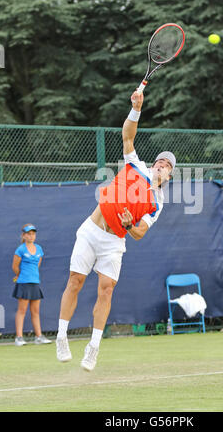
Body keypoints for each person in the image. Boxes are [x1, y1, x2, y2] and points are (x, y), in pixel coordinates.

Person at [56, 90, 176, 371]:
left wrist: (128, 224)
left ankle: (93, 347)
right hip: (91, 230)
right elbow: (128, 136)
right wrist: (136, 109)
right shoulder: (136, 165)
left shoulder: (157, 203)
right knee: (75, 281)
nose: (162, 164)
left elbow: (140, 233)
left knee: (106, 291)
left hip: (115, 242)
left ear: (170, 176)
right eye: (160, 161)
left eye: (168, 165)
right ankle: (62, 336)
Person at [12, 224, 52, 346]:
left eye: (33, 233)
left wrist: (32, 276)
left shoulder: (39, 249)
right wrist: (22, 275)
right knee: (22, 310)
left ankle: (38, 337)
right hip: (23, 283)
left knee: (35, 312)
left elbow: (37, 265)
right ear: (23, 235)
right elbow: (15, 267)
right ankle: (19, 338)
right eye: (28, 234)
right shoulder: (20, 249)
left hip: (35, 283)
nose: (31, 236)